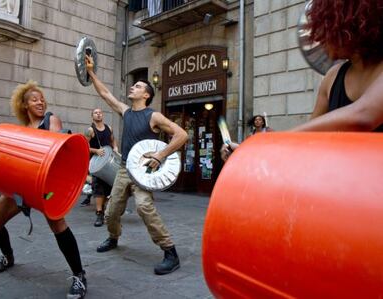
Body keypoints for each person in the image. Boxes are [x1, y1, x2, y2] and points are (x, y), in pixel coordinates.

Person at [221, 0, 383, 161]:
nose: (318, 38)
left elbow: (362, 116)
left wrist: (260, 146)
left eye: (324, 29)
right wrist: (247, 151)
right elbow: (307, 141)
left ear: (346, 25)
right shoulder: (332, 77)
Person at [85, 55, 188, 275]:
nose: (133, 87)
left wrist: (160, 155)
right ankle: (113, 238)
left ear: (146, 95)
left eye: (138, 86)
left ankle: (170, 252)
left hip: (144, 172)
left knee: (143, 207)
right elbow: (105, 94)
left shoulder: (154, 116)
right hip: (124, 170)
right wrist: (91, 72)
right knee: (111, 213)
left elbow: (181, 135)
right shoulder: (126, 111)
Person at [0, 80, 87, 299]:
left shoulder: (51, 119)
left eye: (41, 99)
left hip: (47, 187)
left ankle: (79, 276)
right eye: (34, 100)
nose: (40, 102)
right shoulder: (22, 130)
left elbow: (55, 144)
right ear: (24, 105)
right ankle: (8, 257)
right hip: (22, 187)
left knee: (57, 224)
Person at [83, 108, 118, 227]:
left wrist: (115, 148)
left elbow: (113, 140)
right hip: (96, 164)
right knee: (98, 188)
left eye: (100, 112)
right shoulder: (90, 130)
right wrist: (96, 150)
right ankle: (99, 214)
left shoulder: (109, 128)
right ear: (92, 116)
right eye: (95, 113)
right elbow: (83, 146)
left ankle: (104, 210)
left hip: (110, 162)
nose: (98, 114)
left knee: (110, 188)